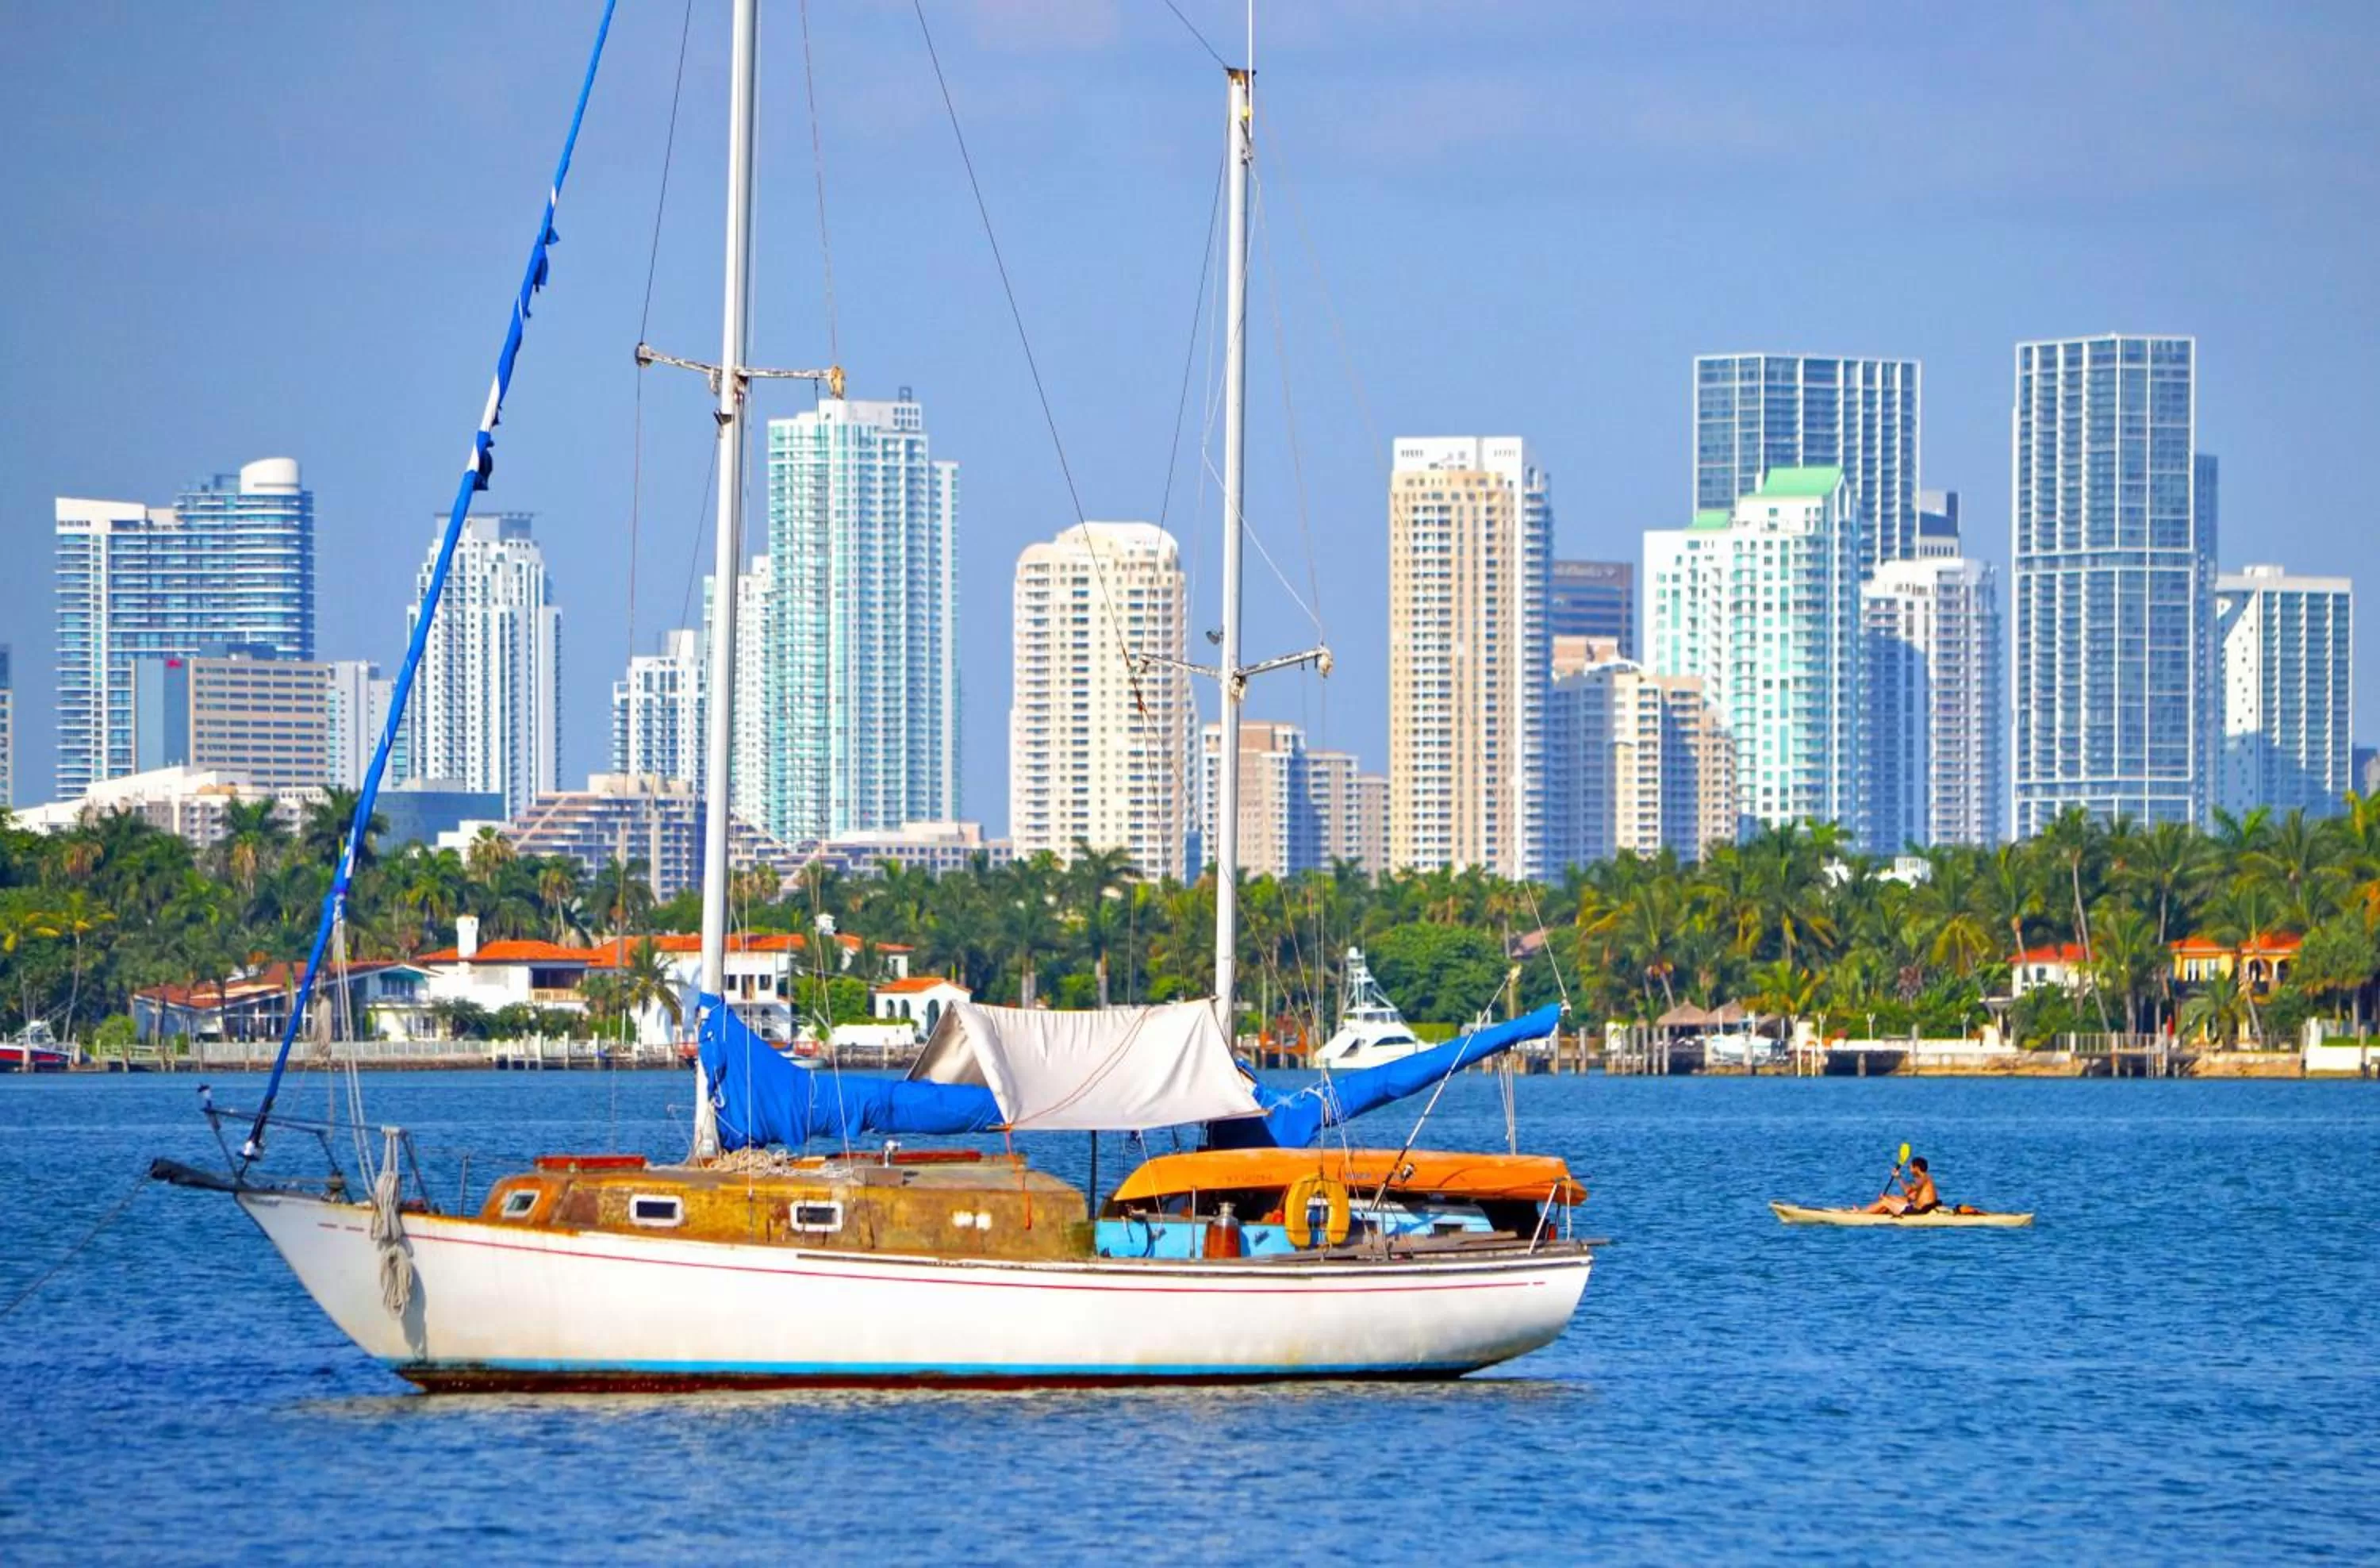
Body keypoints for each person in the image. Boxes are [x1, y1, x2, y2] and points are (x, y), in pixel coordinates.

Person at [1864, 1155, 1939, 1216]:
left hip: (1918, 1211)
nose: (1909, 1169)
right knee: (1888, 1197)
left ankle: (1860, 1213)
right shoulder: (1926, 1178)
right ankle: (1866, 1211)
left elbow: (1908, 1193)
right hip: (1920, 1207)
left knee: (1885, 1202)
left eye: (1910, 1167)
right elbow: (1912, 1196)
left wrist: (1899, 1178)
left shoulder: (1922, 1179)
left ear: (1917, 1168)